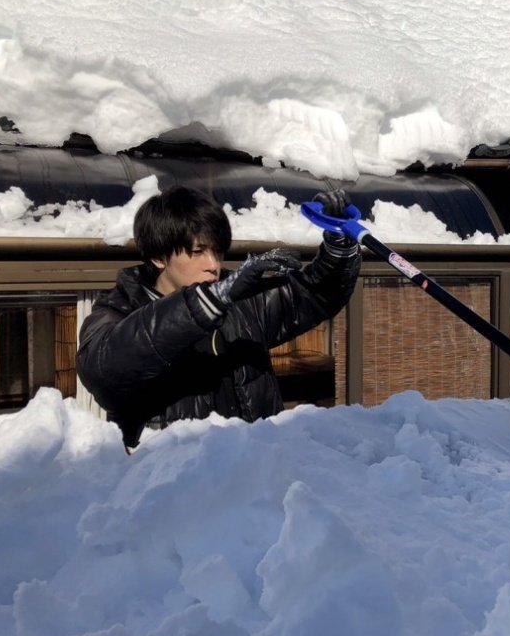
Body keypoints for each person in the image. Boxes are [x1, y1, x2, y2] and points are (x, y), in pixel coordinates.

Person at [77, 185, 361, 453]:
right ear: (158, 257)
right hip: (170, 491)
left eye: (218, 251)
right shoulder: (117, 310)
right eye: (198, 252)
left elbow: (311, 295)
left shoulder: (239, 298)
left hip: (258, 477)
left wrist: (339, 244)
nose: (213, 265)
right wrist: (208, 303)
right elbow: (103, 371)